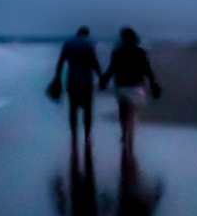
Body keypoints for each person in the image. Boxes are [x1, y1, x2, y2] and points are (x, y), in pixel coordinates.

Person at [99, 26, 162, 156]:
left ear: (122, 38)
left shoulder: (117, 52)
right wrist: (153, 82)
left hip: (121, 85)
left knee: (123, 112)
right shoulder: (140, 52)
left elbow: (111, 69)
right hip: (136, 86)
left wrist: (103, 80)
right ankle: (130, 140)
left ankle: (123, 134)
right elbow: (147, 69)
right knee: (132, 114)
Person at [49, 25, 105, 157]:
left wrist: (57, 77)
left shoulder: (68, 44)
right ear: (87, 34)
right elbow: (94, 62)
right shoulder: (89, 44)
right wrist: (101, 76)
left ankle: (74, 135)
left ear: (77, 33)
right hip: (86, 82)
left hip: (72, 81)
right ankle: (87, 136)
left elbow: (61, 62)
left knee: (73, 109)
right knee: (87, 110)